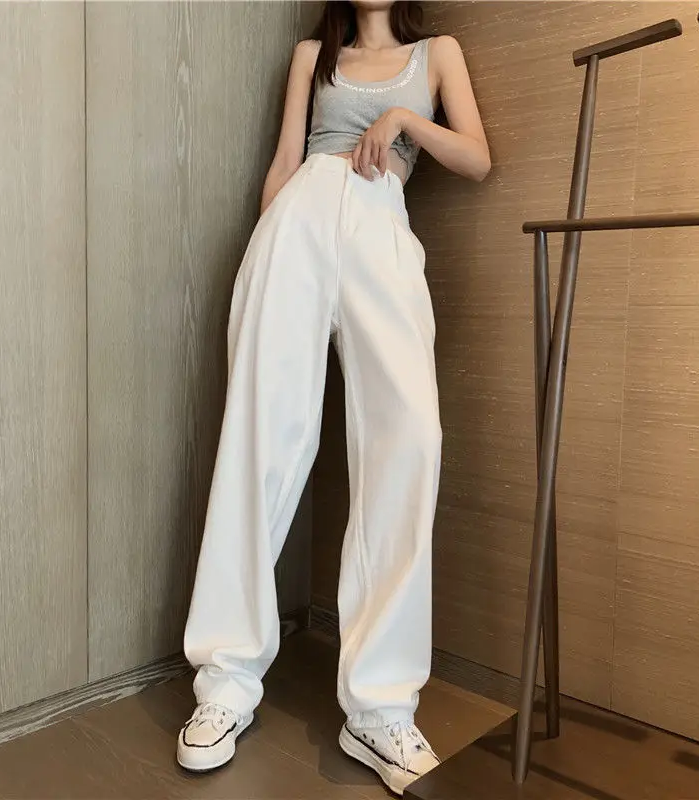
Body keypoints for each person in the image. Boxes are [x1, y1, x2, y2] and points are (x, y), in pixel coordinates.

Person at [176, 1, 489, 794]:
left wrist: (403, 122)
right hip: (298, 223)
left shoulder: (438, 54)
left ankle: (379, 707)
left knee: (410, 439)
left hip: (382, 220)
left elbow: (478, 158)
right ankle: (225, 681)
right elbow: (285, 162)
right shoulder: (311, 55)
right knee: (261, 437)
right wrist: (263, 254)